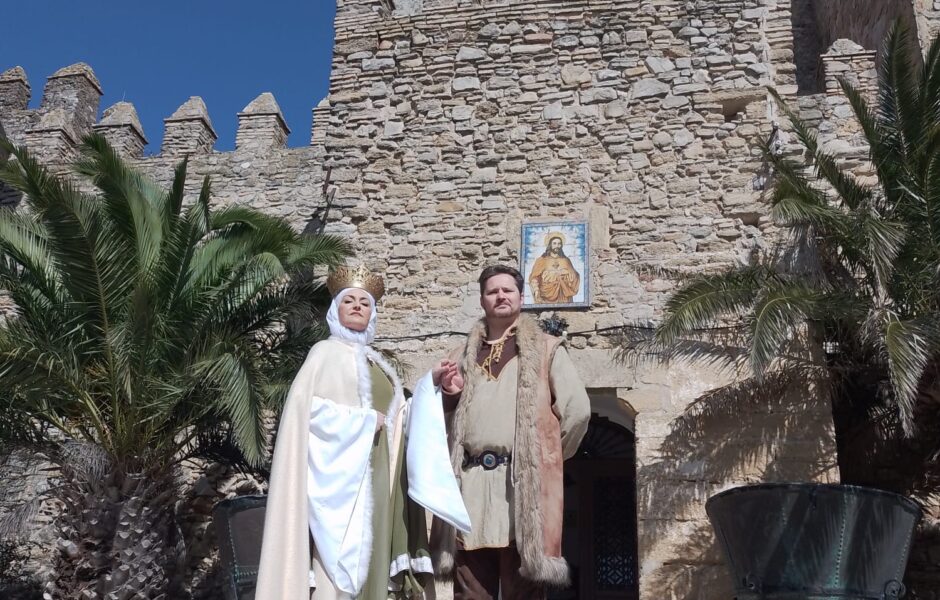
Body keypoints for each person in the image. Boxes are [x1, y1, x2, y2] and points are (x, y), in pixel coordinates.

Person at [256, 264, 468, 600]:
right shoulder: (323, 355)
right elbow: (305, 414)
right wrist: (365, 423)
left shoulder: (379, 365)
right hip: (343, 488)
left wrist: (435, 388)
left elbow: (400, 421)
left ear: (373, 313)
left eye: (365, 303)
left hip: (384, 480)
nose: (357, 306)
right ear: (335, 309)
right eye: (349, 301)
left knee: (379, 566)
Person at [432, 265, 591, 600]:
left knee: (524, 593)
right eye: (493, 291)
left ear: (521, 297)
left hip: (522, 490)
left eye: (507, 290)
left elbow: (577, 412)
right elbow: (436, 426)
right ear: (481, 300)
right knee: (470, 591)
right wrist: (449, 396)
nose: (500, 296)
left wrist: (545, 460)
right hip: (470, 489)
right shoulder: (458, 357)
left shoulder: (547, 350)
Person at [528, 233, 581, 304]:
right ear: (550, 245)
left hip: (564, 295)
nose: (557, 246)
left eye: (559, 244)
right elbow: (534, 277)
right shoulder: (541, 260)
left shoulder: (566, 260)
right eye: (554, 243)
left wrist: (567, 273)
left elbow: (575, 276)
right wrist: (536, 290)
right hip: (546, 295)